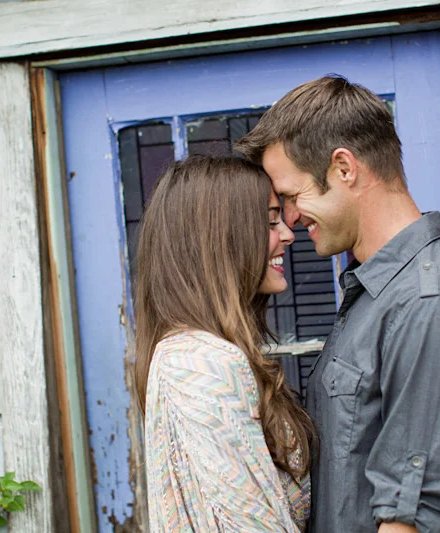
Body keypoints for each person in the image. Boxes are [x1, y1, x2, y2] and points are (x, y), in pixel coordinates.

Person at [235, 75, 440, 533]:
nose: (288, 218)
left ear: (344, 168)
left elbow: (411, 520)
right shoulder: (376, 296)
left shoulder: (430, 305)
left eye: (291, 196)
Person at [134, 156, 316, 532]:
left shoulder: (191, 352)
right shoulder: (201, 362)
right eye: (269, 222)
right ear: (220, 238)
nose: (287, 233)